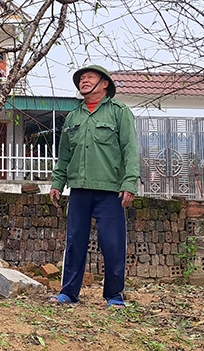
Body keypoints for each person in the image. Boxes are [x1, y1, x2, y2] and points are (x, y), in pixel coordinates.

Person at [49, 64, 139, 308]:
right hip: (79, 189)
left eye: (90, 77)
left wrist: (129, 182)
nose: (84, 81)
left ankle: (114, 295)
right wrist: (58, 182)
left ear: (105, 83)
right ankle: (69, 293)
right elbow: (65, 155)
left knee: (112, 243)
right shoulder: (73, 116)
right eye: (81, 79)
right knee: (75, 241)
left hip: (111, 190)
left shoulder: (119, 112)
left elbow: (130, 149)